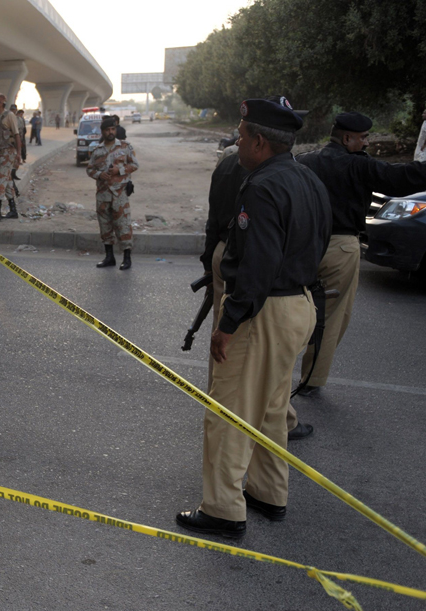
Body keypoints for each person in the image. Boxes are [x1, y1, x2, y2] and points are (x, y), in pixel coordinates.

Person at [176, 97, 331, 539]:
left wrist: (228, 325)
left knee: (229, 411)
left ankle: (223, 509)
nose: (236, 143)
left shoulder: (260, 187)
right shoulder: (308, 179)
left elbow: (257, 265)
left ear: (260, 142)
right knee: (270, 406)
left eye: (241, 137)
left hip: (263, 312)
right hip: (298, 306)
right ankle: (268, 493)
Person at [293, 111, 426, 396]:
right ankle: (311, 380)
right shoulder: (357, 166)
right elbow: (400, 178)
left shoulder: (305, 161)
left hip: (303, 245)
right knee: (330, 317)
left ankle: (275, 371)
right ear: (347, 138)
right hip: (340, 247)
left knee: (292, 310)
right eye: (364, 137)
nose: (366, 143)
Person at [201, 151, 249, 390]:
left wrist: (208, 263)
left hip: (221, 250)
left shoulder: (225, 165)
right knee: (237, 336)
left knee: (220, 328)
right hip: (243, 255)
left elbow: (212, 219)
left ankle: (216, 393)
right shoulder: (267, 170)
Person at [86, 117, 138, 269]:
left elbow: (135, 164)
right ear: (103, 132)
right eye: (107, 130)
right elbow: (89, 169)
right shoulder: (97, 150)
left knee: (123, 225)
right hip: (103, 194)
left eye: (113, 129)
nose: (110, 132)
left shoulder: (125, 147)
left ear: (116, 130)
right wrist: (99, 175)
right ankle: (109, 257)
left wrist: (119, 170)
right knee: (105, 226)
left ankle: (127, 258)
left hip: (119, 193)